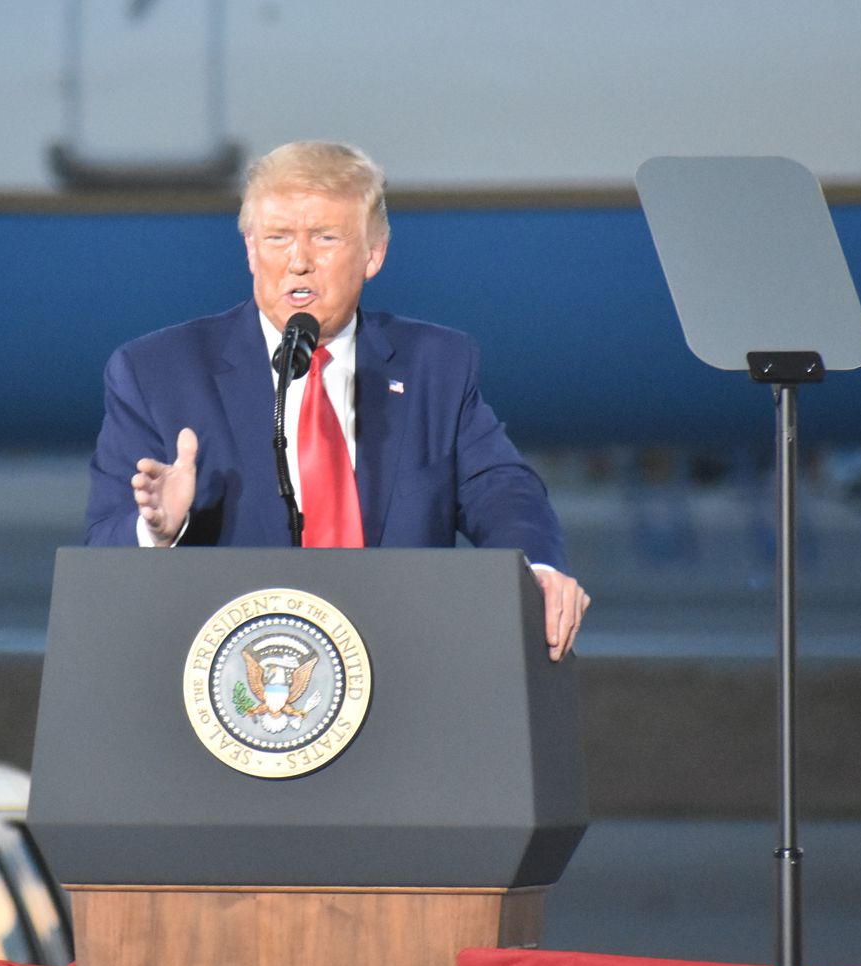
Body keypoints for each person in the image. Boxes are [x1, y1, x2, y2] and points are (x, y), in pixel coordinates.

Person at [84, 141, 588, 659]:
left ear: (373, 254)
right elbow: (100, 549)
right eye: (278, 238)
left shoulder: (435, 364)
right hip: (235, 682)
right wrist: (157, 530)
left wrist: (539, 573)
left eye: (324, 238)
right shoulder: (157, 372)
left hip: (404, 663)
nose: (298, 262)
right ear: (251, 249)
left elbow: (500, 488)